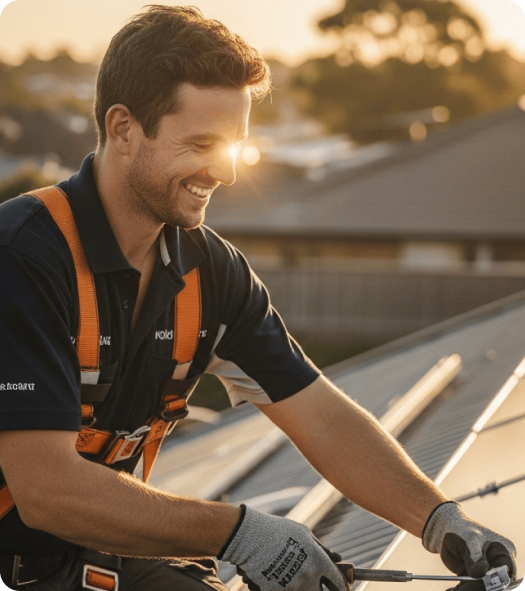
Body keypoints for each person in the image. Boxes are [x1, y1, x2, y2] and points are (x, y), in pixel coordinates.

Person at [0, 5, 516, 591]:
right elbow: (46, 493)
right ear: (123, 128)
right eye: (200, 143)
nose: (224, 171)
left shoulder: (211, 273)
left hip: (102, 554)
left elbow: (321, 419)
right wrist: (238, 533)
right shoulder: (23, 257)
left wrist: (439, 521)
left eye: (234, 145)